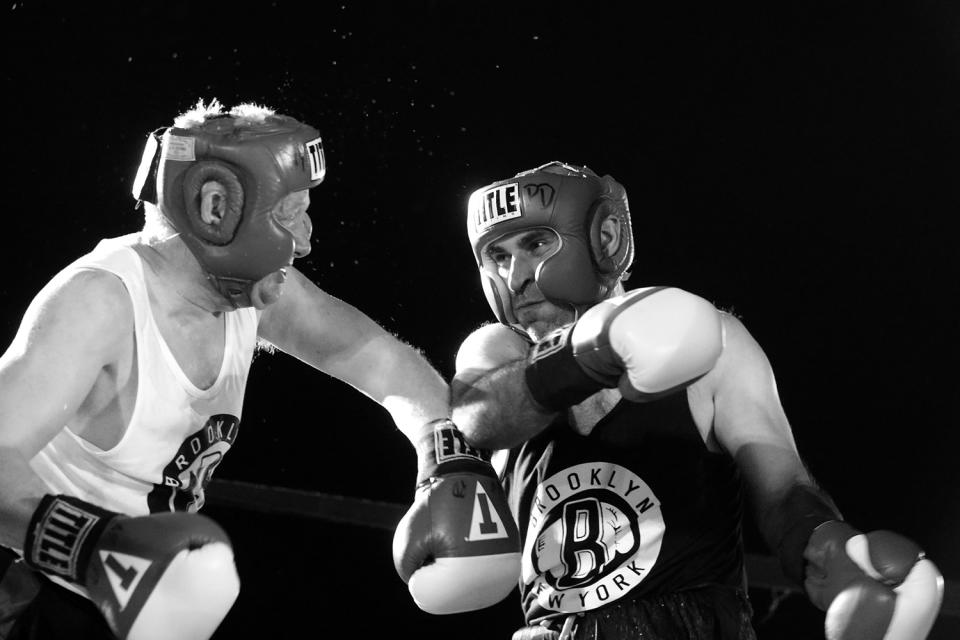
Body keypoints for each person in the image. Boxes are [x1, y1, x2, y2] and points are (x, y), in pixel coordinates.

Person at [0, 99, 520, 640]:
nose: (306, 239)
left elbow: (372, 356)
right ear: (216, 208)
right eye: (288, 215)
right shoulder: (101, 302)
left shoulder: (254, 294)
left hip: (148, 603)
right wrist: (93, 548)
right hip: (33, 597)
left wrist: (445, 454)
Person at [449, 161, 944, 640]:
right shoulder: (499, 351)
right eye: (498, 257)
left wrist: (825, 545)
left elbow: (781, 487)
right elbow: (479, 416)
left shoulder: (714, 343)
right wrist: (588, 352)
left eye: (536, 244)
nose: (515, 278)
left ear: (603, 240)